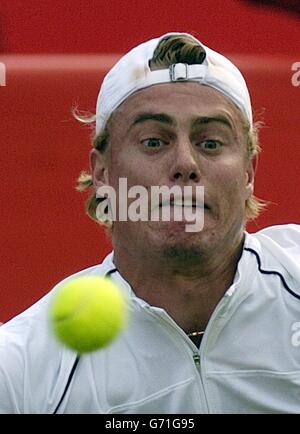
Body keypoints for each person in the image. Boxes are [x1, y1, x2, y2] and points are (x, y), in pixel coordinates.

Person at [0, 32, 300, 414]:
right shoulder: (21, 370)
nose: (186, 165)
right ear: (103, 174)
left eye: (210, 142)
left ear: (248, 173)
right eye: (154, 142)